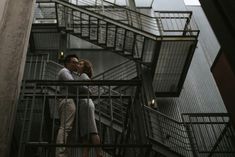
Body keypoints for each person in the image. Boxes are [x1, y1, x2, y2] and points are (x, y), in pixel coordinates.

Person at [77, 59, 103, 157]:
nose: (78, 65)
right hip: (85, 103)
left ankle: (99, 153)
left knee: (92, 131)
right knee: (86, 133)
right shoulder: (82, 76)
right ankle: (87, 154)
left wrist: (76, 88)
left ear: (85, 67)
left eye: (80, 64)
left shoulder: (83, 75)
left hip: (85, 103)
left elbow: (86, 88)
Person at [56, 54, 79, 157]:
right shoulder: (64, 71)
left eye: (78, 63)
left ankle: (65, 153)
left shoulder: (68, 73)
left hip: (67, 100)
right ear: (68, 63)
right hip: (67, 100)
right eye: (74, 62)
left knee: (67, 129)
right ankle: (61, 153)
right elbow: (73, 85)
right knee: (65, 128)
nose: (77, 65)